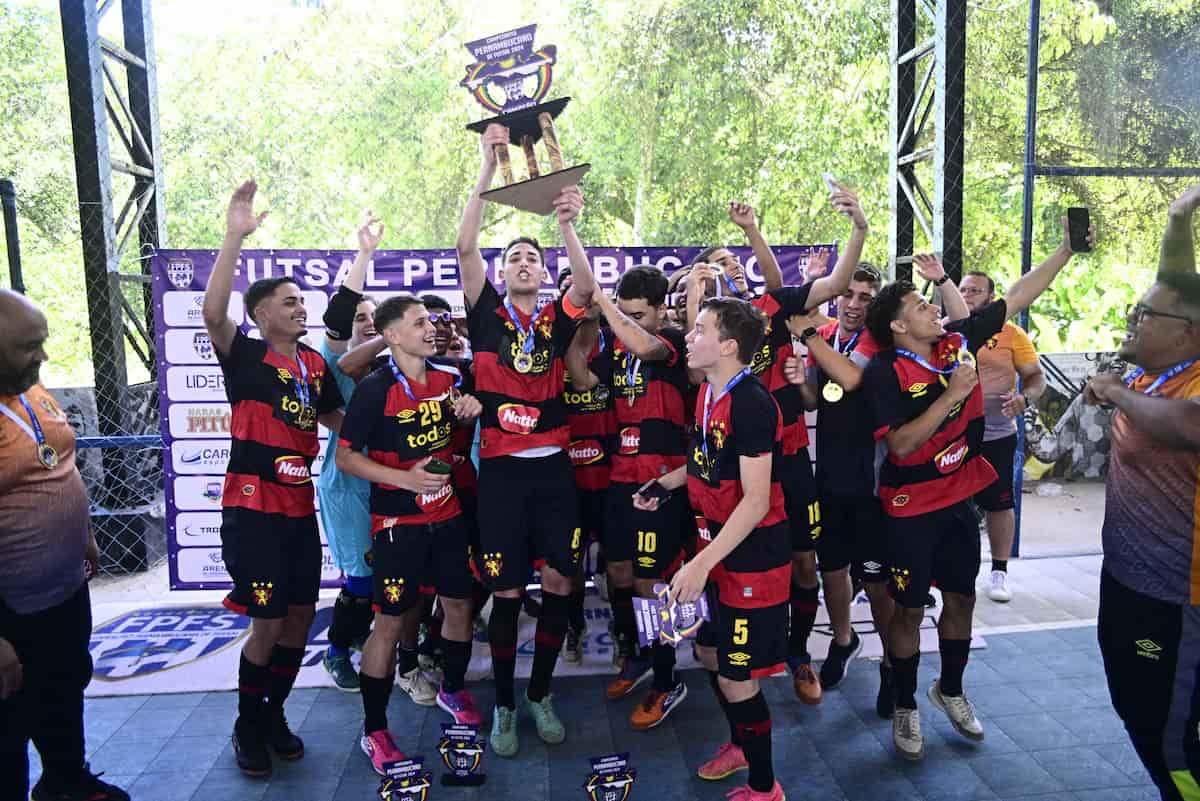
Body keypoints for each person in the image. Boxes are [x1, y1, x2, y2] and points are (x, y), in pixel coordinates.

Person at [861, 222, 1088, 761]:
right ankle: (905, 704)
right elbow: (900, 445)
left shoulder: (956, 342)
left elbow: (1018, 295)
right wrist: (953, 396)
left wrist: (1065, 251)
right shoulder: (884, 372)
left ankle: (952, 690)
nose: (933, 308)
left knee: (962, 597)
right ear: (898, 325)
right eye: (921, 304)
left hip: (958, 498)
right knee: (909, 610)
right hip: (907, 507)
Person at [689, 190, 867, 705]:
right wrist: (699, 297)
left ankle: (797, 655)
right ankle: (735, 667)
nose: (727, 273)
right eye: (714, 269)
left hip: (789, 459)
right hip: (732, 466)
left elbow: (834, 282)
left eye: (732, 264)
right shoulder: (705, 338)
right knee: (731, 563)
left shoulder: (777, 307)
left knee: (805, 563)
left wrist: (858, 229)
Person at [455, 123, 598, 757]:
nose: (522, 262)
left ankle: (541, 691)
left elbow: (587, 289)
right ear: (501, 271)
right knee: (508, 593)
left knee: (562, 585)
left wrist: (567, 224)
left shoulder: (554, 315)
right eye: (514, 256)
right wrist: (488, 170)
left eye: (532, 257)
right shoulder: (486, 312)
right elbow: (463, 248)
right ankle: (506, 705)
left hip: (555, 475)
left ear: (542, 272)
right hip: (504, 476)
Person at [201, 180, 345, 777]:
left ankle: (273, 715)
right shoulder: (244, 354)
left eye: (300, 301)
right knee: (266, 622)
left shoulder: (313, 363)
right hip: (251, 509)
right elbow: (213, 311)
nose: (298, 307)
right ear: (261, 314)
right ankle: (247, 725)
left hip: (298, 510)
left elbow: (342, 420)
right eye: (287, 302)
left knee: (295, 621)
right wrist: (235, 235)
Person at [792, 255, 966, 712]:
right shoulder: (827, 337)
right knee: (832, 572)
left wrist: (806, 332)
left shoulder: (876, 343)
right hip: (830, 477)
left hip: (873, 486)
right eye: (847, 294)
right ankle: (843, 641)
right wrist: (799, 380)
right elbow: (816, 396)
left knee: (876, 583)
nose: (852, 304)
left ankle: (892, 667)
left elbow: (848, 379)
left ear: (877, 308)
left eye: (864, 298)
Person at [635, 296, 789, 801]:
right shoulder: (707, 392)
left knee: (737, 677)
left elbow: (756, 500)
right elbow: (706, 466)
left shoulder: (752, 402)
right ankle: (740, 744)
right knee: (709, 654)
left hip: (749, 557)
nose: (688, 333)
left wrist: (701, 563)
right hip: (713, 546)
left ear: (726, 346)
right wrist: (665, 484)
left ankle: (766, 788)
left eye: (699, 328)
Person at [335, 295, 485, 775]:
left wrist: (470, 411)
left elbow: (465, 421)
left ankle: (452, 686)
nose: (429, 328)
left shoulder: (450, 376)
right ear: (393, 335)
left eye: (430, 321)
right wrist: (405, 480)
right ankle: (375, 729)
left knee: (460, 604)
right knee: (392, 624)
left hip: (449, 516)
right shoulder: (375, 388)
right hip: (398, 525)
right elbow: (346, 457)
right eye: (418, 322)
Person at [1085, 183, 1200, 801]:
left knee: (1166, 733)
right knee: (1137, 706)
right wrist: (1179, 217)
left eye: (1143, 315)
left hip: (1177, 598)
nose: (1131, 318)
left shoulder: (1182, 387)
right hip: (1125, 580)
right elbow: (1172, 286)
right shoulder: (1147, 367)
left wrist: (1119, 393)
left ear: (1187, 334)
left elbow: (1189, 426)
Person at [0, 290, 127, 801]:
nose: (43, 356)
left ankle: (65, 781)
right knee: (8, 719)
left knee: (63, 686)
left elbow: (57, 464)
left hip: (63, 589)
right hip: (9, 611)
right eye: (30, 346)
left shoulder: (27, 388)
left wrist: (86, 534)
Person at [566, 265, 691, 729]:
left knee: (649, 584)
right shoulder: (614, 346)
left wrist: (603, 303)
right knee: (618, 572)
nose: (633, 322)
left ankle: (667, 678)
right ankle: (639, 654)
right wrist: (584, 323)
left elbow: (643, 343)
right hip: (620, 477)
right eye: (628, 314)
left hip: (660, 482)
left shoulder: (673, 343)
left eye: (641, 314)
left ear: (661, 311)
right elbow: (580, 378)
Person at [318, 216, 383, 692]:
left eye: (375, 319)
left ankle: (371, 641)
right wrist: (363, 256)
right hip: (349, 488)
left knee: (393, 581)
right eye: (361, 319)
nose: (367, 325)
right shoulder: (334, 361)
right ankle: (338, 650)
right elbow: (339, 319)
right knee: (360, 582)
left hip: (391, 487)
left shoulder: (397, 367)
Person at [958, 269, 1046, 603]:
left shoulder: (1012, 334)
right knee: (949, 503)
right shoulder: (943, 329)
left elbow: (1036, 379)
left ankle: (999, 571)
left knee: (999, 502)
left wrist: (1025, 398)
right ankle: (942, 574)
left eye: (975, 290)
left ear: (993, 298)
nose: (967, 295)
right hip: (953, 434)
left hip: (997, 432)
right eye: (963, 289)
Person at [558, 268, 612, 664]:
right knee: (570, 565)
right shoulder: (546, 353)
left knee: (625, 568)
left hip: (616, 476)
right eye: (574, 294)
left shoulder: (619, 348)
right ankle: (573, 628)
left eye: (591, 294)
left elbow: (586, 383)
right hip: (564, 480)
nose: (584, 300)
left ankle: (629, 639)